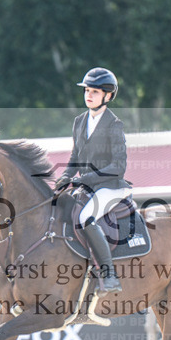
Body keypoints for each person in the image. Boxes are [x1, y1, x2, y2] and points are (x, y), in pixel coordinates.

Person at [55, 67, 132, 294]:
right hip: (86, 186)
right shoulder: (79, 121)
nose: (89, 95)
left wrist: (86, 178)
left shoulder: (114, 124)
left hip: (111, 187)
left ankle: (110, 276)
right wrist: (65, 177)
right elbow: (75, 157)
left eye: (95, 92)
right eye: (87, 90)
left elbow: (119, 166)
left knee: (86, 217)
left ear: (108, 96)